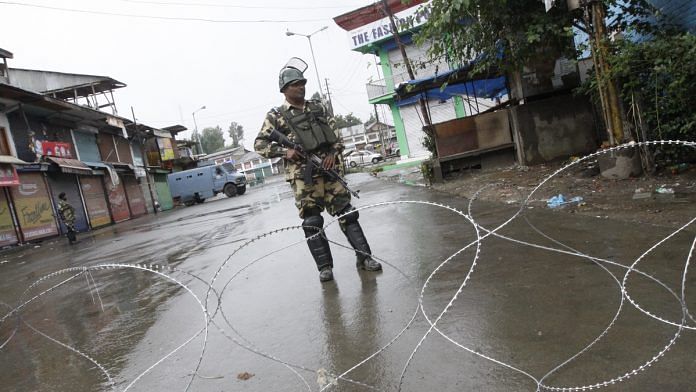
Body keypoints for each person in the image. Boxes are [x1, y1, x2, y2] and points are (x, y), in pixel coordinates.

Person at [254, 59, 382, 282]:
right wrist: (285, 153)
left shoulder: (317, 107)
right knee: (312, 222)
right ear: (284, 89)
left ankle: (365, 257)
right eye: (295, 84)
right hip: (304, 178)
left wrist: (333, 153)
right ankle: (325, 268)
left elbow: (336, 135)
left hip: (329, 170)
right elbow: (260, 144)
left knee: (347, 213)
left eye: (302, 82)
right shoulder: (275, 116)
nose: (301, 86)